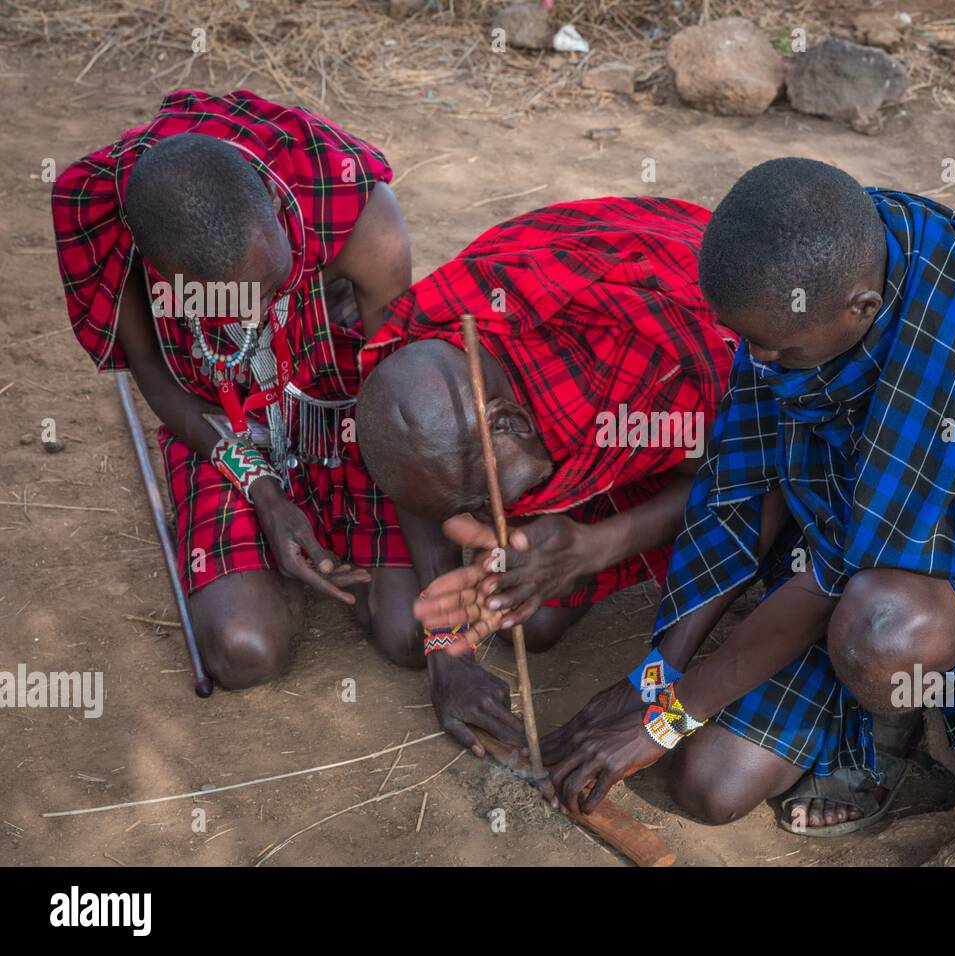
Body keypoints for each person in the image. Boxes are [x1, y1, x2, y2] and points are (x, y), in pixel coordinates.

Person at [542, 158, 955, 833]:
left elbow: (834, 573)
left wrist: (668, 717)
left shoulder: (946, 356)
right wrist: (657, 675)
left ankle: (888, 731)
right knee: (708, 789)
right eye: (749, 344)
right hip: (842, 543)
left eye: (775, 350)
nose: (755, 362)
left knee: (884, 627)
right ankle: (859, 685)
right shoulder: (808, 282)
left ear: (861, 309)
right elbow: (744, 477)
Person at [51, 90, 418, 689]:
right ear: (164, 272)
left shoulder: (360, 215)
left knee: (411, 633)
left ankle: (320, 526)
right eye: (230, 299)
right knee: (245, 651)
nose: (264, 308)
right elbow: (156, 377)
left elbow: (400, 403)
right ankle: (272, 556)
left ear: (275, 202)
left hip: (343, 410)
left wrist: (451, 649)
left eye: (275, 281)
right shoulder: (114, 226)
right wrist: (267, 496)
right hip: (219, 426)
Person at [354, 196, 735, 756]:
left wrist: (593, 547)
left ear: (509, 422)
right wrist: (445, 646)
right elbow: (422, 478)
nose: (479, 523)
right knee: (529, 620)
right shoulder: (420, 347)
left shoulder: (664, 379)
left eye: (481, 501)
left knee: (535, 610)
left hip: (689, 312)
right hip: (557, 428)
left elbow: (731, 485)